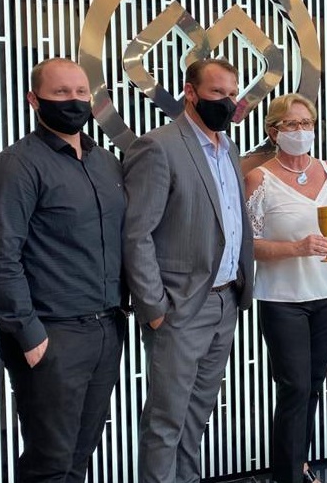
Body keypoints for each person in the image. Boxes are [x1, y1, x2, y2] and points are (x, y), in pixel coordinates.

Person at [0, 58, 127, 482]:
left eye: (81, 92)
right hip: (53, 334)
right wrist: (29, 334)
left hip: (106, 328)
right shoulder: (16, 166)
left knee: (79, 456)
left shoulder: (105, 163)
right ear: (34, 99)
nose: (73, 101)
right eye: (60, 93)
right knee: (50, 464)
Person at [123, 58, 254, 482]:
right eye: (217, 93)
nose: (227, 102)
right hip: (180, 308)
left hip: (225, 301)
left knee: (196, 417)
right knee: (166, 422)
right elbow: (137, 234)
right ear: (191, 92)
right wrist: (155, 308)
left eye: (232, 94)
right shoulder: (158, 147)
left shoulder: (228, 147)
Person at [244, 93, 327, 483]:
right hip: (283, 300)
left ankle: (299, 464)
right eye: (292, 124)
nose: (301, 130)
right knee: (293, 386)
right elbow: (247, 246)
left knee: (313, 384)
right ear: (273, 131)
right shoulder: (259, 179)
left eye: (306, 123)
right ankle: (288, 474)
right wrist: (296, 248)